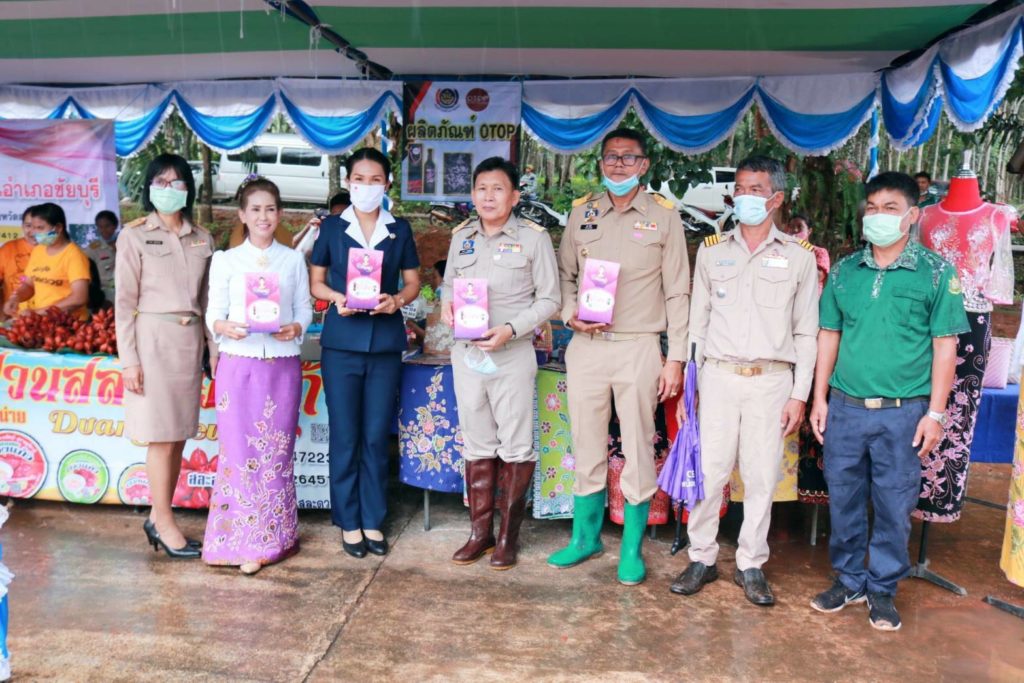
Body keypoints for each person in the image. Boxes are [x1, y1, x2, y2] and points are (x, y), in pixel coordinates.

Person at [809, 171, 967, 631]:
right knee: (844, 499)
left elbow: (945, 347)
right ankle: (849, 580)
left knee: (894, 505)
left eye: (890, 208)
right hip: (845, 407)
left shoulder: (936, 273)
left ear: (913, 215)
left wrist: (935, 414)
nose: (878, 216)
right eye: (872, 208)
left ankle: (881, 588)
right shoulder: (845, 272)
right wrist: (820, 398)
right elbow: (829, 335)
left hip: (903, 413)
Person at [670, 156, 818, 607]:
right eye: (740, 189)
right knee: (709, 473)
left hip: (771, 382)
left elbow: (806, 332)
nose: (746, 197)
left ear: (776, 198)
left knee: (760, 477)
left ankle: (751, 563)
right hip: (717, 376)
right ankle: (702, 557)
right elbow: (697, 325)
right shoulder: (712, 250)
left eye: (756, 189)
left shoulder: (798, 257)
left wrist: (799, 394)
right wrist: (689, 389)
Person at [550, 128, 689, 586]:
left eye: (628, 158)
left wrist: (676, 358)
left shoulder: (664, 217)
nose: (618, 165)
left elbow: (678, 291)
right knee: (586, 442)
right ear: (601, 163)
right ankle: (585, 538)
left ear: (644, 165)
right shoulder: (582, 213)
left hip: (638, 345)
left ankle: (631, 549)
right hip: (587, 347)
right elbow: (564, 277)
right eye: (611, 157)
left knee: (638, 446)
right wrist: (570, 314)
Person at [441, 157, 560, 570]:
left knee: (516, 445)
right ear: (472, 194)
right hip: (468, 356)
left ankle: (508, 536)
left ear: (514, 196)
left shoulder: (533, 239)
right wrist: (447, 307)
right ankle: (480, 533)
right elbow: (449, 285)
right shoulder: (462, 237)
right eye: (481, 188)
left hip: (511, 355)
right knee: (476, 442)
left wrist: (511, 329)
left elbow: (551, 298)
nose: (488, 196)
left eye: (497, 189)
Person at [310, 148, 420, 558]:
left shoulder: (399, 229)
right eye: (360, 179)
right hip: (341, 343)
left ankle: (373, 518)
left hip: (384, 343)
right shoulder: (332, 228)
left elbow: (412, 282)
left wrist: (397, 300)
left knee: (375, 435)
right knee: (345, 434)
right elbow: (316, 282)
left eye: (375, 180)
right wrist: (337, 297)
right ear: (348, 181)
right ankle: (348, 520)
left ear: (387, 184)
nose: (367, 186)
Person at [202, 177, 311, 575]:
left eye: (270, 209)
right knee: (238, 453)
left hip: (281, 365)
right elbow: (213, 312)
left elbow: (304, 309)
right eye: (256, 209)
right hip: (238, 364)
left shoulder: (293, 260)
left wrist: (296, 327)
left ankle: (274, 539)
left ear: (279, 214)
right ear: (242, 215)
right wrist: (224, 327)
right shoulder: (225, 260)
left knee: (275, 453)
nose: (264, 216)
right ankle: (234, 540)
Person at [115, 153, 217, 560]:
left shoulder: (202, 238)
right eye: (161, 181)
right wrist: (129, 360)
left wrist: (214, 351)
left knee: (177, 436)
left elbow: (208, 302)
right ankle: (163, 521)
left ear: (188, 188)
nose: (169, 189)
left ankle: (160, 517)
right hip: (152, 342)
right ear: (149, 188)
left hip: (189, 343)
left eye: (177, 182)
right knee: (160, 437)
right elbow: (124, 304)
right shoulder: (135, 236)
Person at [3, 203, 90, 320]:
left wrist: (39, 313)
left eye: (40, 228)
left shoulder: (74, 255)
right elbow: (29, 284)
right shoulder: (38, 250)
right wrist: (16, 298)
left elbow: (79, 297)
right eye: (33, 227)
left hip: (69, 323)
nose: (34, 233)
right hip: (44, 322)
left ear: (58, 228)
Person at [0, 208, 37, 320]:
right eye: (28, 226)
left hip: (48, 319)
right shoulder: (8, 249)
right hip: (13, 320)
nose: (33, 231)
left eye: (39, 227)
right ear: (22, 226)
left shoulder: (57, 252)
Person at [784, 214, 830, 292]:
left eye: (800, 227)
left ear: (809, 231)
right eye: (791, 227)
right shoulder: (784, 250)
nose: (795, 230)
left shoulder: (819, 252)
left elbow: (818, 276)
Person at [84, 210, 118, 304]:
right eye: (100, 227)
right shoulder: (93, 248)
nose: (104, 230)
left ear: (115, 225)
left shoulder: (125, 244)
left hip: (124, 290)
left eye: (107, 226)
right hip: (104, 293)